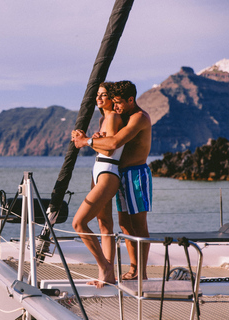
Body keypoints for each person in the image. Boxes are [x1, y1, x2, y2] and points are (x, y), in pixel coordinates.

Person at [72, 80, 152, 281]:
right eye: (113, 101)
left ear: (130, 100)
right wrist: (93, 138)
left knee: (139, 225)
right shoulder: (119, 117)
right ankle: (127, 271)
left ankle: (139, 273)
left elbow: (114, 143)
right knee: (124, 225)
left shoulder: (138, 117)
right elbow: (109, 142)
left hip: (135, 174)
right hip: (120, 172)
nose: (116, 106)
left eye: (117, 101)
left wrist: (87, 141)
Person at [71, 82, 124, 288]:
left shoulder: (111, 117)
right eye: (98, 95)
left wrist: (85, 140)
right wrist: (88, 139)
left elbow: (110, 150)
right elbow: (103, 146)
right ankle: (108, 276)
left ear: (112, 98)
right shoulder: (104, 119)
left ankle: (104, 266)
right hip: (100, 169)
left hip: (108, 171)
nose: (99, 99)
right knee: (105, 225)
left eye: (104, 95)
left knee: (79, 223)